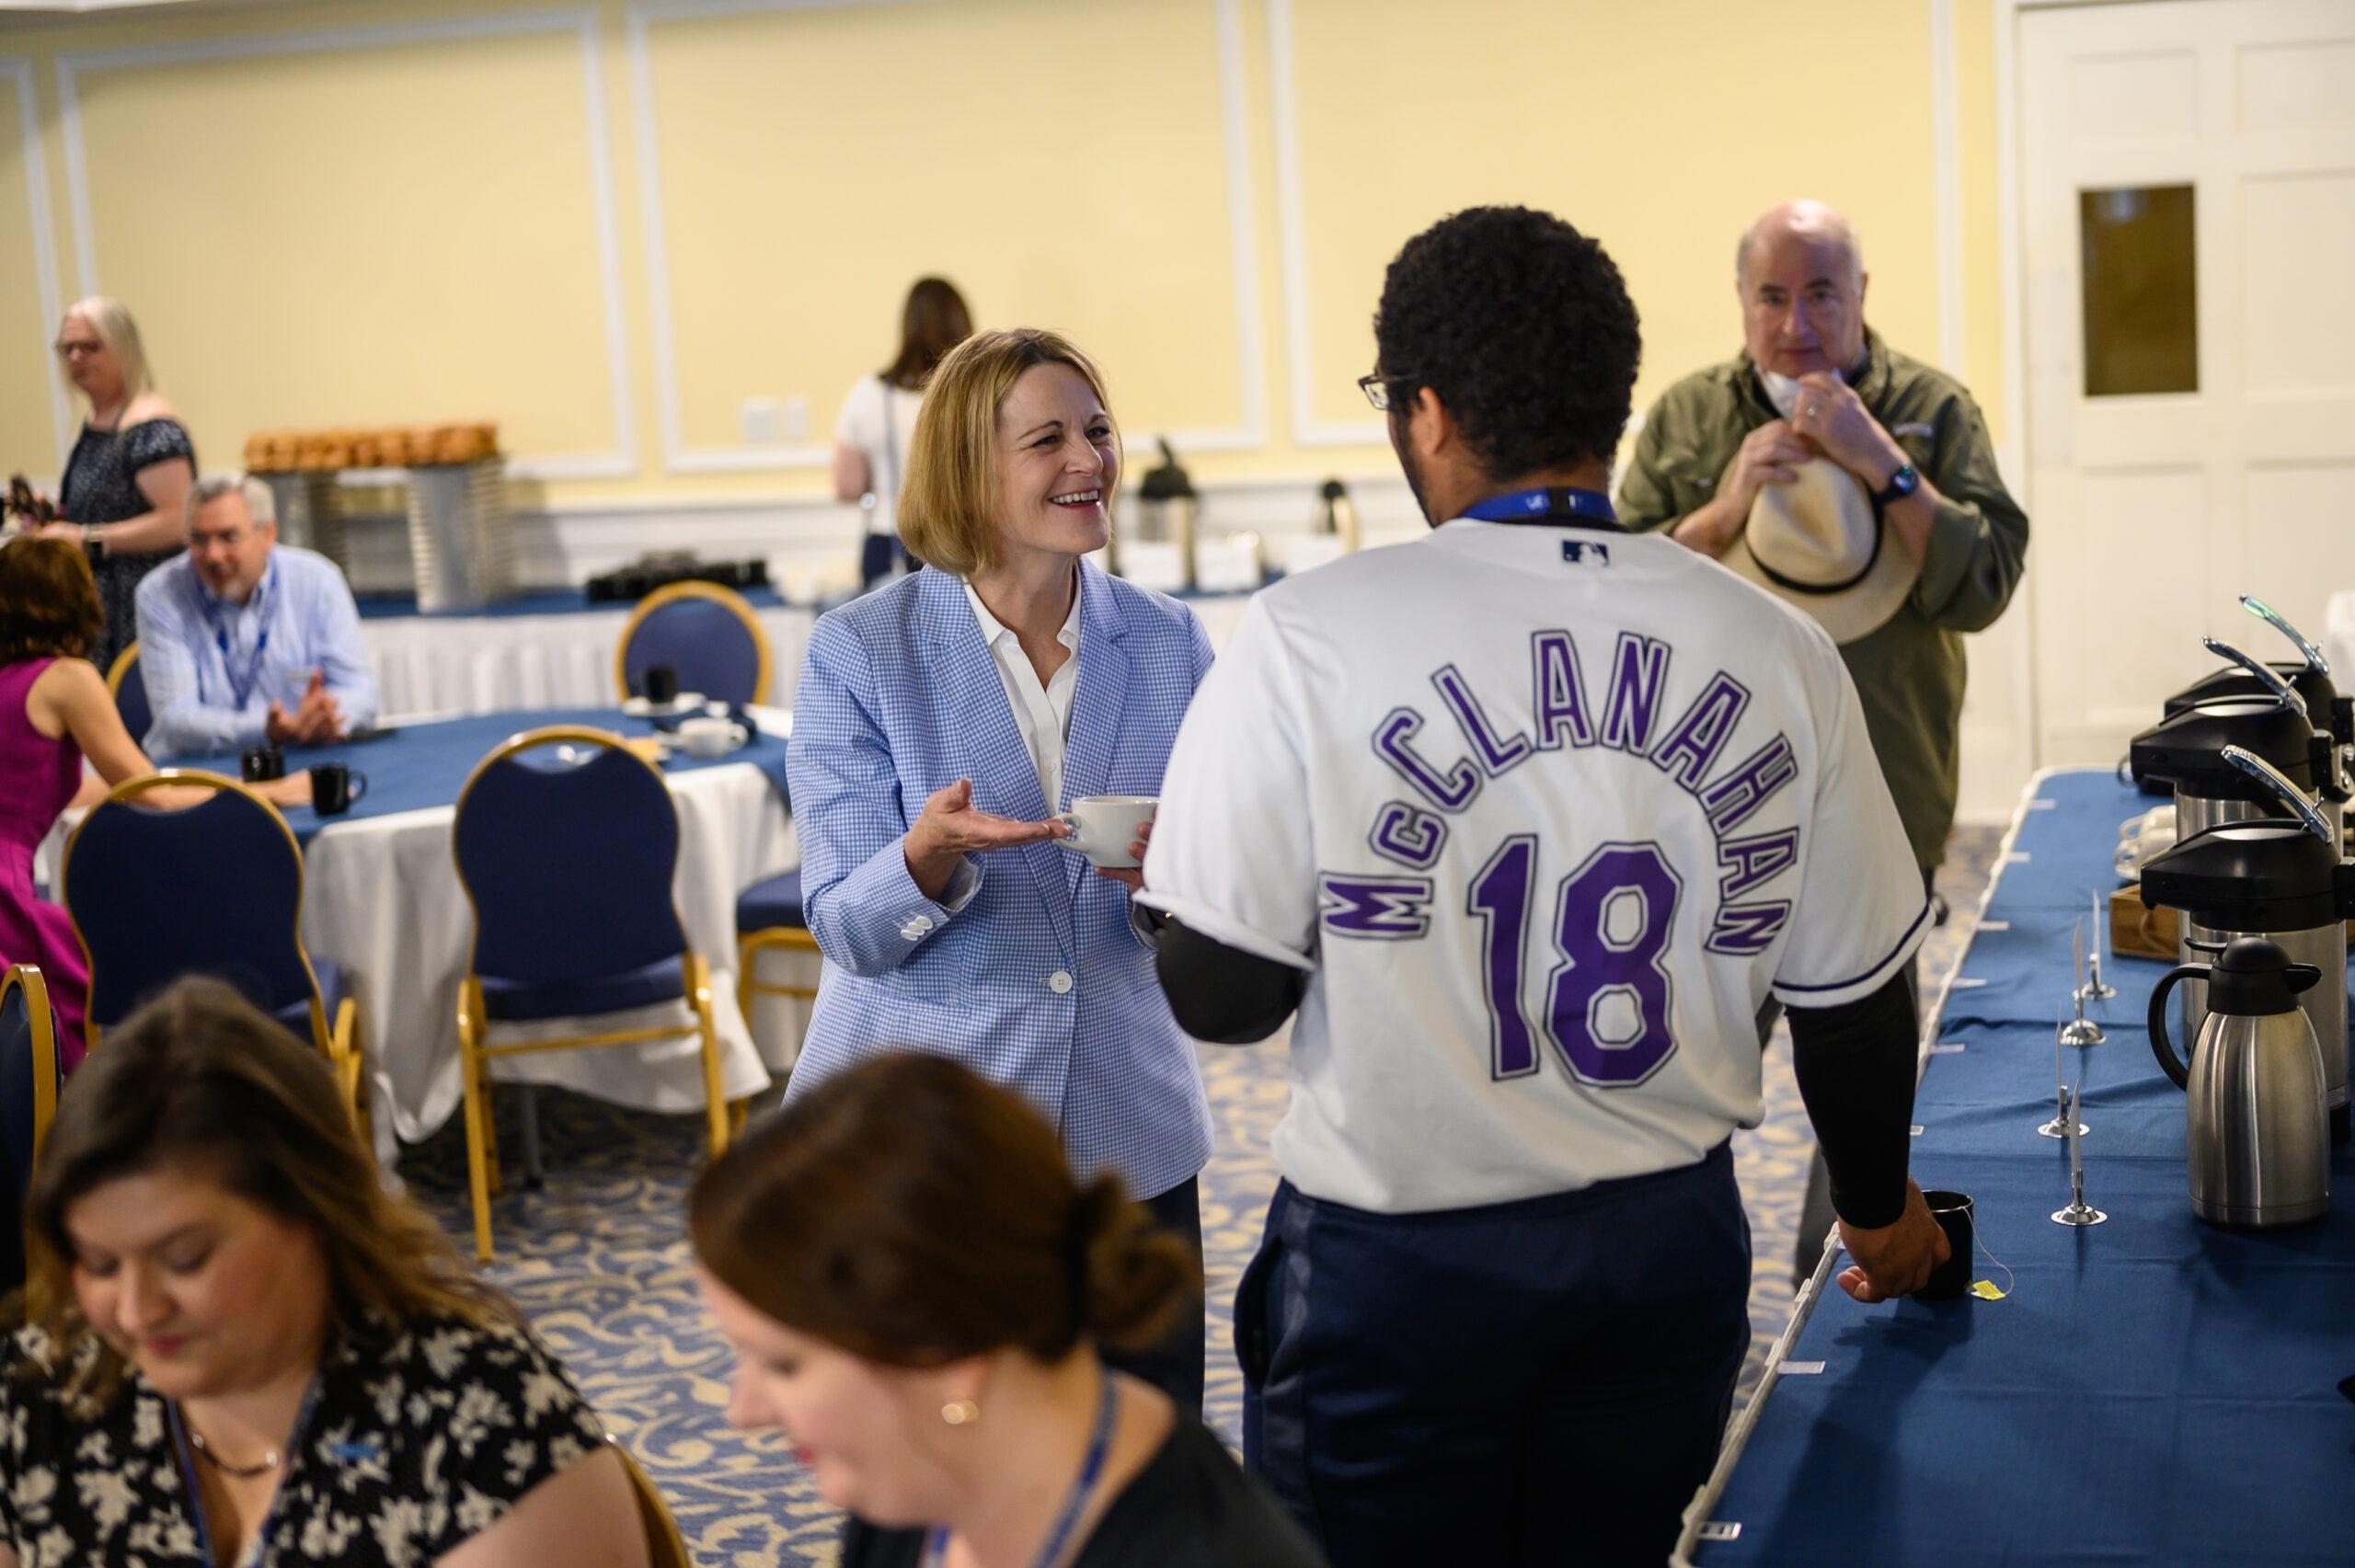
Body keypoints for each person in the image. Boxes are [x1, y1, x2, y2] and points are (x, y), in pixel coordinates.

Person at [1140, 205, 1950, 1567]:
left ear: (1430, 413)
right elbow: (1856, 992)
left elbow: (1224, 995)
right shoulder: (1779, 645)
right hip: (1665, 1244)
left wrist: (1173, 885)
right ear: (1617, 409)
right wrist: (1877, 1205)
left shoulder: (1308, 634)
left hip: (1398, 1265)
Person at [786, 327, 1216, 1409]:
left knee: (1142, 1456)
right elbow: (844, 924)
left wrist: (1179, 883)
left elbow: (1220, 898)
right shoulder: (860, 651)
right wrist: (923, 859)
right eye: (1047, 440)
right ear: (969, 475)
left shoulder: (1172, 644)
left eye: (1098, 429)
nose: (1091, 460)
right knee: (948, 1465)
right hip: (938, 1151)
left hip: (1132, 1133)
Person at [1614, 198, 2029, 1281]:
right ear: (1742, 302)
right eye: (1772, 294)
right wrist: (1720, 512)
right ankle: (1666, 1279)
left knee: (1868, 1059)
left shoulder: (1930, 408)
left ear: (1860, 296)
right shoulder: (1686, 418)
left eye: (1820, 292)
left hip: (1887, 794)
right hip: (1708, 811)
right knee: (1692, 1063)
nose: (1796, 319)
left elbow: (1981, 583)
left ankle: (1844, 1270)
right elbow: (1611, 594)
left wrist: (1884, 464)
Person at [0, 976, 649, 1567]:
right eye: (99, 1264)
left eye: (184, 1259)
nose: (137, 1310)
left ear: (312, 1212)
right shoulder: (44, 1394)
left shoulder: (475, 1420)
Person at [693, 1052, 1325, 1568]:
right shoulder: (917, 1477)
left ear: (946, 1351)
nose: (742, 1410)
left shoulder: (1207, 1550)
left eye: (781, 1363)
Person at [0, 538, 307, 1070]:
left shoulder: (10, 685)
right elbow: (154, 795)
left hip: (14, 881)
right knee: (75, 1023)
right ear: (76, 597)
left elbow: (83, 789)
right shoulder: (68, 679)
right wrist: (266, 793)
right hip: (8, 894)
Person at [135, 473, 379, 760]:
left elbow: (360, 692)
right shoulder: (160, 594)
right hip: (201, 770)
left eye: (229, 537)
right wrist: (267, 729)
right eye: (198, 539)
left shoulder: (317, 581)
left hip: (305, 758)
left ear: (268, 534)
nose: (213, 555)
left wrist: (328, 716)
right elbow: (176, 719)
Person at [30, 297, 196, 673]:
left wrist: (88, 537)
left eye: (89, 347)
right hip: (98, 607)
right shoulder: (96, 419)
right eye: (67, 348)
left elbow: (178, 520)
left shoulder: (151, 429)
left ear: (123, 349)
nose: (75, 357)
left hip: (141, 608)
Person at [835, 278, 973, 589]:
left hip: (889, 539)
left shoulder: (869, 394)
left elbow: (847, 485)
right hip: (961, 539)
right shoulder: (972, 396)